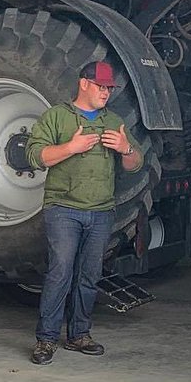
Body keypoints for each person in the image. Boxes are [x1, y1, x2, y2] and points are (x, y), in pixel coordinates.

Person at [24, 60, 143, 366]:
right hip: (63, 209)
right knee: (60, 272)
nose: (106, 92)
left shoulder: (113, 120)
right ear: (84, 83)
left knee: (90, 275)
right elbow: (36, 157)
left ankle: (79, 334)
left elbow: (136, 164)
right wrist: (71, 147)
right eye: (101, 86)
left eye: (109, 88)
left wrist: (126, 148)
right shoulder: (57, 116)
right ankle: (46, 339)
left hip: (101, 212)